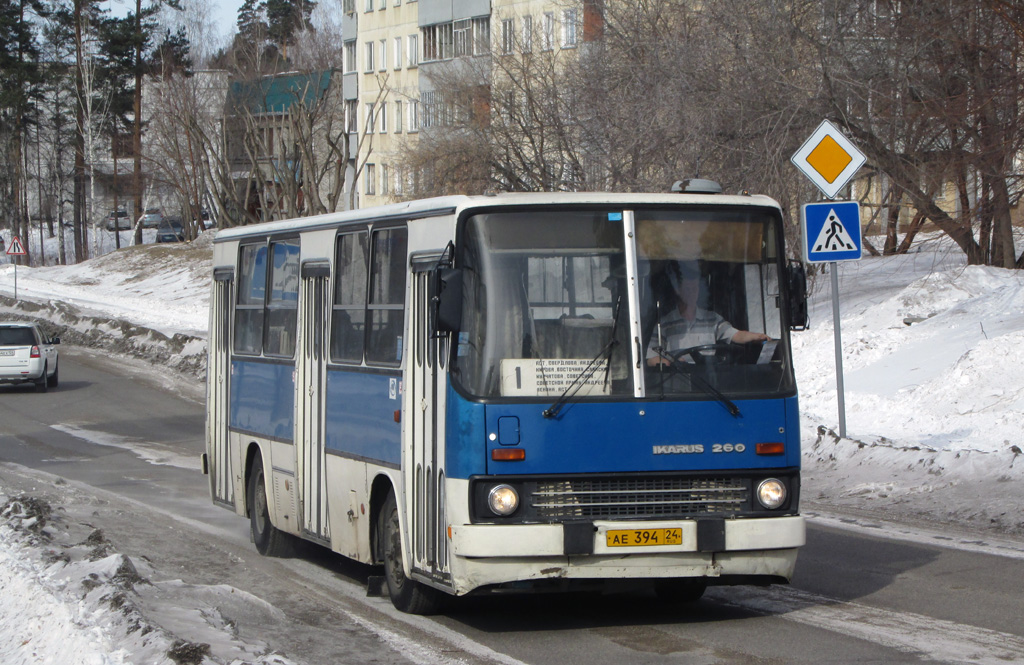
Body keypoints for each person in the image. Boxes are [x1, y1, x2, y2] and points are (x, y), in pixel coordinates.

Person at [647, 261, 769, 366]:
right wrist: (669, 363)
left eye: (695, 288)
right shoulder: (664, 324)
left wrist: (756, 336)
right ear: (679, 291)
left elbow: (736, 335)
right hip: (679, 384)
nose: (692, 292)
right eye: (688, 289)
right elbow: (650, 358)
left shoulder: (712, 319)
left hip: (709, 381)